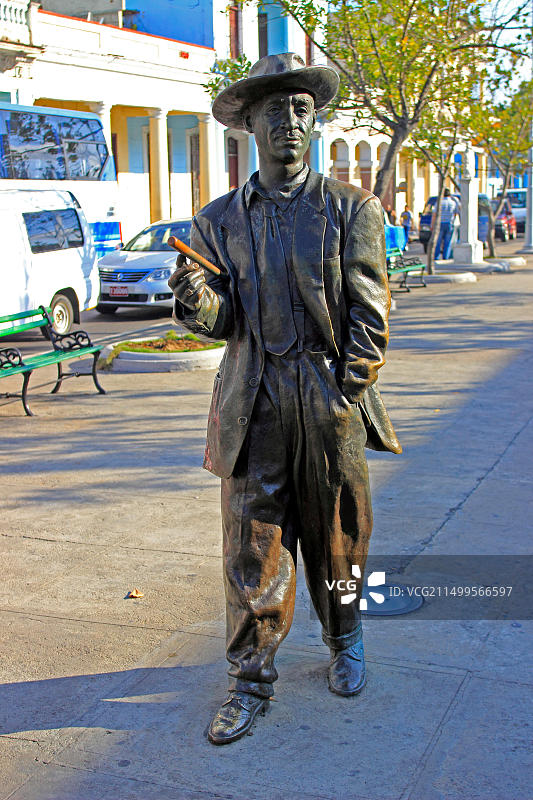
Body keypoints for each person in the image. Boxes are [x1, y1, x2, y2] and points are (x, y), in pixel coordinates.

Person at [168, 52, 401, 746]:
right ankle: (247, 679)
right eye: (275, 110)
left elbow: (370, 312)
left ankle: (345, 638)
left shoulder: (350, 208)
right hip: (252, 402)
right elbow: (220, 319)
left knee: (339, 540)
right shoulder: (215, 221)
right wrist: (194, 302)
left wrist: (346, 386)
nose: (291, 123)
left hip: (326, 397)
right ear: (247, 126)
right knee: (250, 550)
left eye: (301, 109)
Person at [434, 188, 459, 260]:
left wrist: (432, 225)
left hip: (440, 223)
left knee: (438, 241)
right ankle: (445, 257)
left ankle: (436, 257)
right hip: (449, 223)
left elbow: (434, 214)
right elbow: (456, 213)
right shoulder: (453, 203)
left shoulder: (439, 203)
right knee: (447, 242)